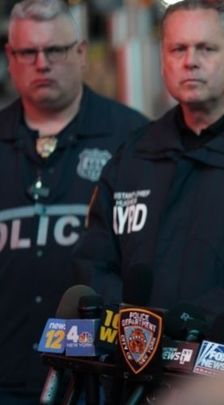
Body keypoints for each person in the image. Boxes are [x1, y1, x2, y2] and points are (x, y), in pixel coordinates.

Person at [72, 0, 224, 315]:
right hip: (135, 354)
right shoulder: (135, 153)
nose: (191, 61)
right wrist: (138, 323)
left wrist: (187, 325)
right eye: (178, 50)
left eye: (206, 49)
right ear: (163, 60)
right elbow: (93, 262)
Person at [0, 0, 148, 401]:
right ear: (10, 58)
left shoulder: (134, 139)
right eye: (28, 52)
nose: (41, 63)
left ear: (81, 53)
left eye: (56, 50)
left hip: (92, 377)